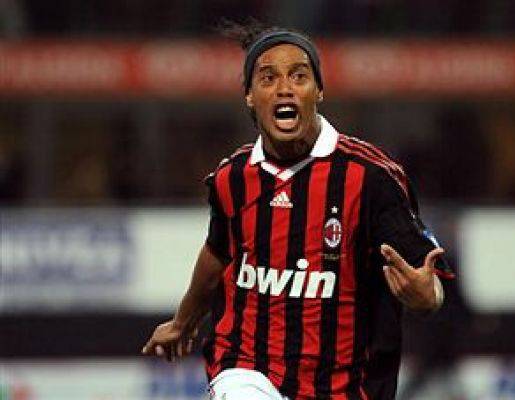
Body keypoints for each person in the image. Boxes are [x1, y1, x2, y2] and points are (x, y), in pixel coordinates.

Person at [142, 21, 454, 400]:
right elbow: (218, 253)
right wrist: (183, 321)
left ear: (318, 90)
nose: (284, 88)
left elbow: (425, 278)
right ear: (250, 96)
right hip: (246, 367)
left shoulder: (371, 177)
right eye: (268, 78)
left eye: (299, 76)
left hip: (346, 386)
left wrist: (427, 297)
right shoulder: (232, 177)